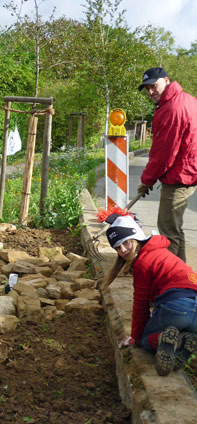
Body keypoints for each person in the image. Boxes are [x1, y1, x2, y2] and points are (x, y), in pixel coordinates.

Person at [103, 213, 197, 377]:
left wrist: (135, 337)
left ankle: (173, 341)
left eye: (126, 243)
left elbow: (140, 305)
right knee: (184, 326)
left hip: (176, 307)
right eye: (117, 247)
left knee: (146, 339)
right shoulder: (163, 252)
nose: (123, 250)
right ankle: (185, 340)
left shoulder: (143, 263)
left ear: (136, 238)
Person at [136, 67, 197, 263]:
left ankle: (171, 283)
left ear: (166, 80)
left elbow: (163, 154)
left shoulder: (172, 108)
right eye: (147, 88)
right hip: (188, 169)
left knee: (169, 232)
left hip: (180, 174)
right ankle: (184, 278)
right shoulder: (186, 100)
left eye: (154, 86)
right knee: (175, 230)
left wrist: (147, 180)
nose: (151, 91)